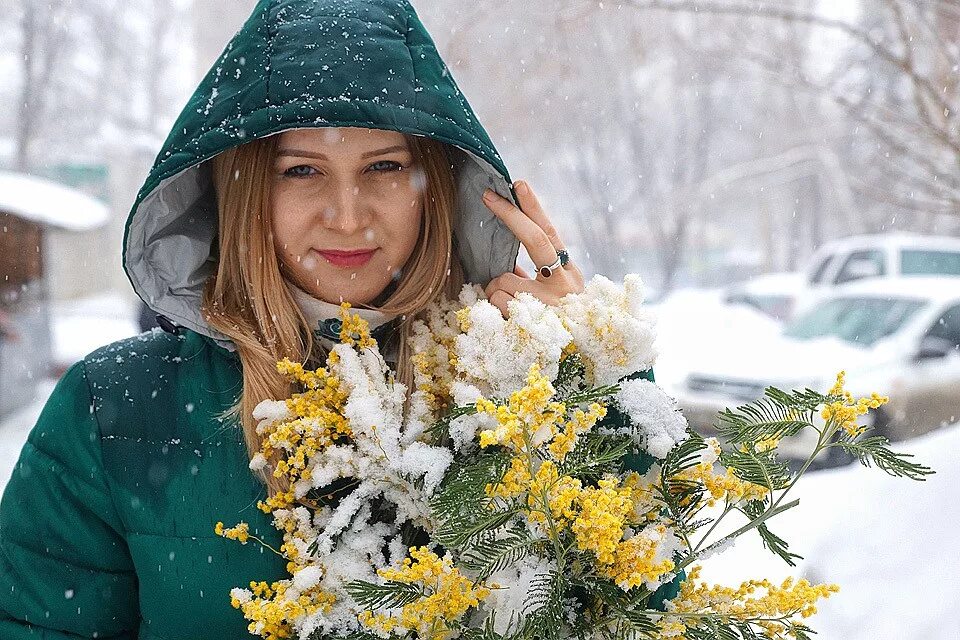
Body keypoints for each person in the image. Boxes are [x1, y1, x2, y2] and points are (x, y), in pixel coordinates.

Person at [0, 1, 679, 637]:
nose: (348, 215)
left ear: (436, 186)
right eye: (302, 171)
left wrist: (590, 377)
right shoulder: (115, 409)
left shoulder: (513, 391)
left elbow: (646, 610)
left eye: (384, 166)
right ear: (245, 189)